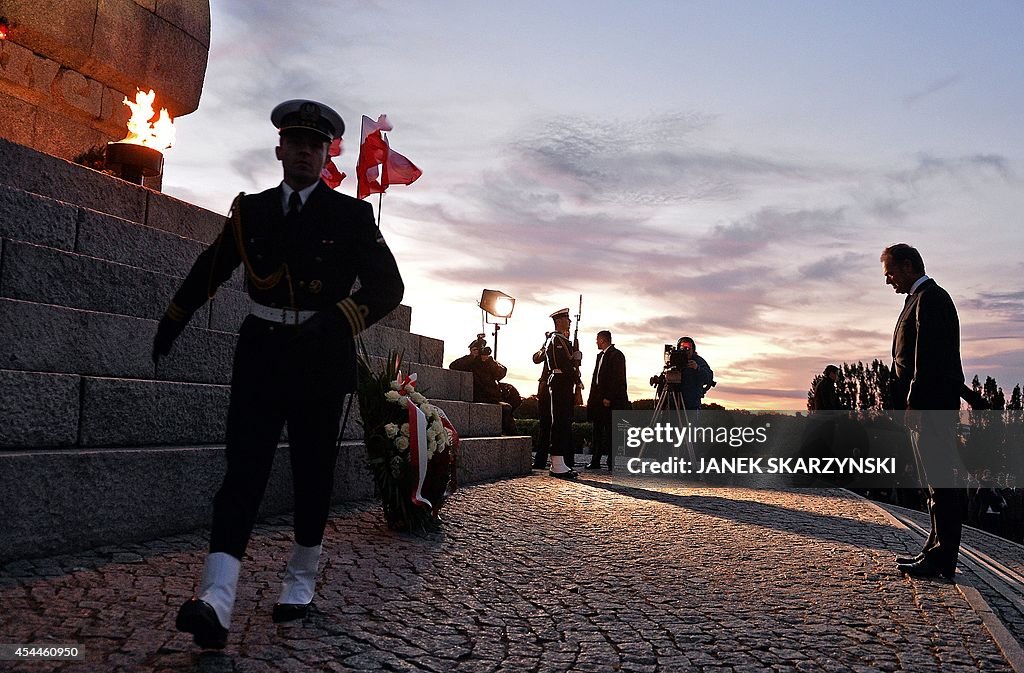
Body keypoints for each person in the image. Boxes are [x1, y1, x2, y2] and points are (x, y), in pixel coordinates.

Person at [152, 99, 404, 648]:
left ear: (327, 152)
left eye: (317, 145)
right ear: (280, 149)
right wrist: (175, 318)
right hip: (261, 352)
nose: (306, 152)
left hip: (320, 358)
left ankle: (300, 578)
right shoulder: (252, 212)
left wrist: (338, 322)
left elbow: (389, 287)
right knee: (243, 472)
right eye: (297, 143)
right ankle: (216, 600)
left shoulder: (350, 216)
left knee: (312, 473)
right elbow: (211, 268)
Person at [882, 243, 964, 580]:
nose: (888, 280)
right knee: (933, 483)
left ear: (907, 266)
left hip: (930, 407)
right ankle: (934, 550)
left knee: (940, 482)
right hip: (929, 405)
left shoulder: (932, 298)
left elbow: (928, 358)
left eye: (889, 272)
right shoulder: (919, 299)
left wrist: (914, 404)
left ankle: (943, 558)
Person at [545, 308, 583, 479]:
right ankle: (557, 463)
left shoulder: (562, 340)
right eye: (567, 319)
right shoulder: (556, 339)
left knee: (564, 421)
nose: (569, 322)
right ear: (559, 321)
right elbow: (561, 364)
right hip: (560, 381)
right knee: (559, 421)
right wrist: (575, 374)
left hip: (564, 383)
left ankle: (560, 462)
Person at [450, 337, 516, 434]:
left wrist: (490, 361)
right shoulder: (468, 362)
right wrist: (472, 356)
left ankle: (512, 436)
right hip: (478, 397)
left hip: (492, 398)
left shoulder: (489, 363)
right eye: (477, 350)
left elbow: (502, 373)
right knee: (506, 409)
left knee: (509, 407)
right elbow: (453, 366)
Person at [586, 330, 628, 470]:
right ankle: (595, 460)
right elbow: (596, 379)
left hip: (611, 401)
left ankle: (611, 462)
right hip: (598, 400)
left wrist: (609, 397)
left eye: (597, 339)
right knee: (597, 431)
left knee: (611, 432)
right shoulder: (600, 356)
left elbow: (618, 379)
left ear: (603, 340)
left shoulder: (617, 355)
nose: (596, 342)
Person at [669, 337, 714, 413]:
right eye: (683, 347)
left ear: (693, 349)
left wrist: (697, 368)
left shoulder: (698, 361)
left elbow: (708, 377)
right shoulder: (674, 360)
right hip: (673, 400)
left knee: (690, 424)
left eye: (688, 348)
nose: (686, 350)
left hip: (691, 402)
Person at [531, 333, 553, 469]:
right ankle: (541, 460)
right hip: (546, 387)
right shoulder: (548, 346)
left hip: (557, 387)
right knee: (544, 425)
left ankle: (563, 461)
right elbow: (536, 358)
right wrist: (545, 344)